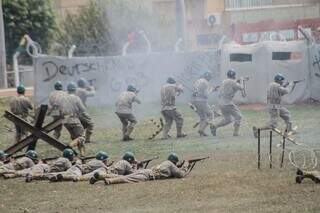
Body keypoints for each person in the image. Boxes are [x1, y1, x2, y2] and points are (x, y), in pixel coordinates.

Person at [95, 153, 189, 185]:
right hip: (147, 175)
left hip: (146, 172)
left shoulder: (166, 163)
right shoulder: (170, 165)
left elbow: (173, 172)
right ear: (174, 161)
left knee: (126, 176)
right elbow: (181, 175)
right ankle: (109, 181)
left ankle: (101, 176)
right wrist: (185, 165)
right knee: (127, 179)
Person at [210, 69, 243, 136]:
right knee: (238, 116)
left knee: (228, 119)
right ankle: (235, 133)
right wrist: (241, 81)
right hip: (227, 103)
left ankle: (215, 126)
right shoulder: (232, 82)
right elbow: (241, 88)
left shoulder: (224, 81)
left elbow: (230, 85)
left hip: (221, 103)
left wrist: (237, 81)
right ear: (234, 75)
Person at [60, 82, 86, 155]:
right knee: (81, 137)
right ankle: (69, 146)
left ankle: (82, 155)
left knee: (76, 138)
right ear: (75, 90)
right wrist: (78, 112)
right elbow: (83, 109)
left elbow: (59, 109)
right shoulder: (76, 98)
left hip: (65, 121)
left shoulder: (62, 98)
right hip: (73, 119)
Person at [191, 72, 215, 136]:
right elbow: (206, 94)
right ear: (208, 77)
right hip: (202, 101)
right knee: (211, 115)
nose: (210, 78)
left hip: (195, 100)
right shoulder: (205, 82)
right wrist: (212, 90)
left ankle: (201, 131)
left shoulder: (197, 81)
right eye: (210, 77)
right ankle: (201, 129)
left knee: (202, 117)